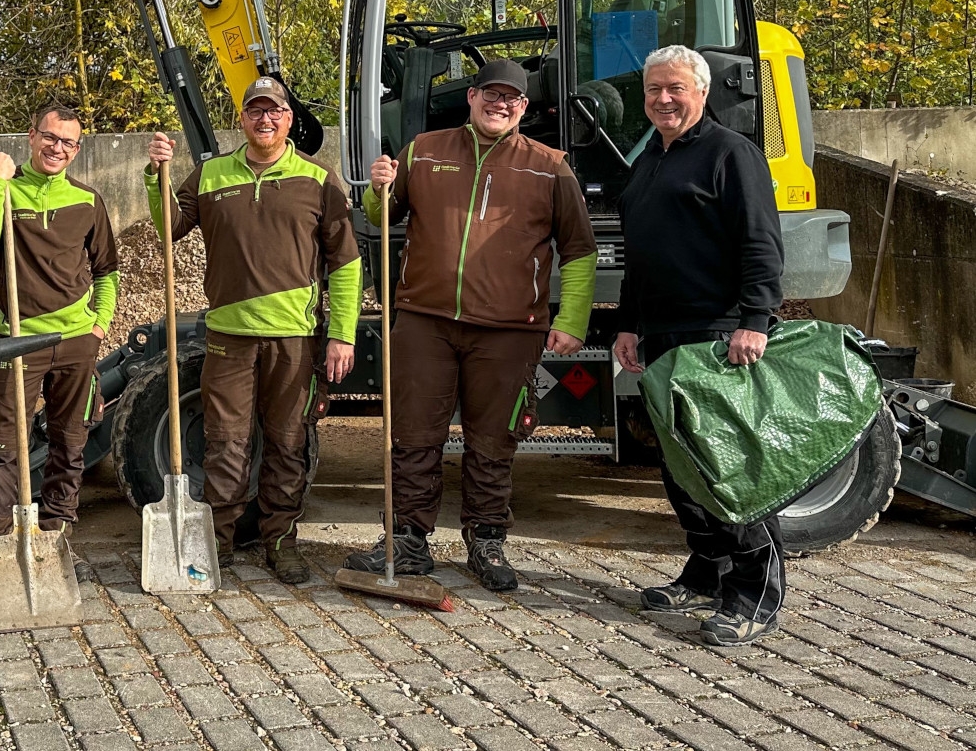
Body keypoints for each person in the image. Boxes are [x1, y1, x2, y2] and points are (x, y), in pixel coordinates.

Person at [342, 58, 597, 591]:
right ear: (472, 96)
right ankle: (407, 539)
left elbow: (579, 249)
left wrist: (572, 318)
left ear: (523, 107)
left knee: (494, 440)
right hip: (424, 321)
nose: (500, 105)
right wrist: (377, 188)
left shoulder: (550, 166)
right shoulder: (423, 150)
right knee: (413, 435)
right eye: (491, 94)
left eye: (511, 98)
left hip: (511, 329)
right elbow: (380, 215)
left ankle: (486, 539)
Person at [145, 76, 362, 584]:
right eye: (255, 111)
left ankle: (280, 541)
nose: (265, 119)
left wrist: (343, 333)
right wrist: (155, 175)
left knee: (288, 442)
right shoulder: (210, 174)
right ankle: (216, 545)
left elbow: (346, 262)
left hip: (294, 337)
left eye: (274, 111)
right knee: (225, 443)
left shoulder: (318, 178)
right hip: (228, 335)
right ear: (242, 119)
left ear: (289, 119)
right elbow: (169, 227)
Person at [614, 45, 786, 647]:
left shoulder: (731, 153)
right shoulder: (649, 160)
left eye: (676, 88)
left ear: (703, 92)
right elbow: (640, 256)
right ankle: (707, 571)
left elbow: (760, 241)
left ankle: (755, 592)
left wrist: (755, 319)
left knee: (724, 467)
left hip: (716, 335)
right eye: (654, 89)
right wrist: (629, 324)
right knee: (680, 467)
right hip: (662, 337)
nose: (663, 98)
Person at [0, 104, 119, 612]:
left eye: (68, 142)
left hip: (76, 342)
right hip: (16, 341)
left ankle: (57, 543)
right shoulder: (1, 188)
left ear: (77, 149)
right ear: (31, 136)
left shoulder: (86, 200)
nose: (57, 148)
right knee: (2, 449)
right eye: (50, 137)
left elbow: (107, 271)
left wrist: (98, 326)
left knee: (70, 444)